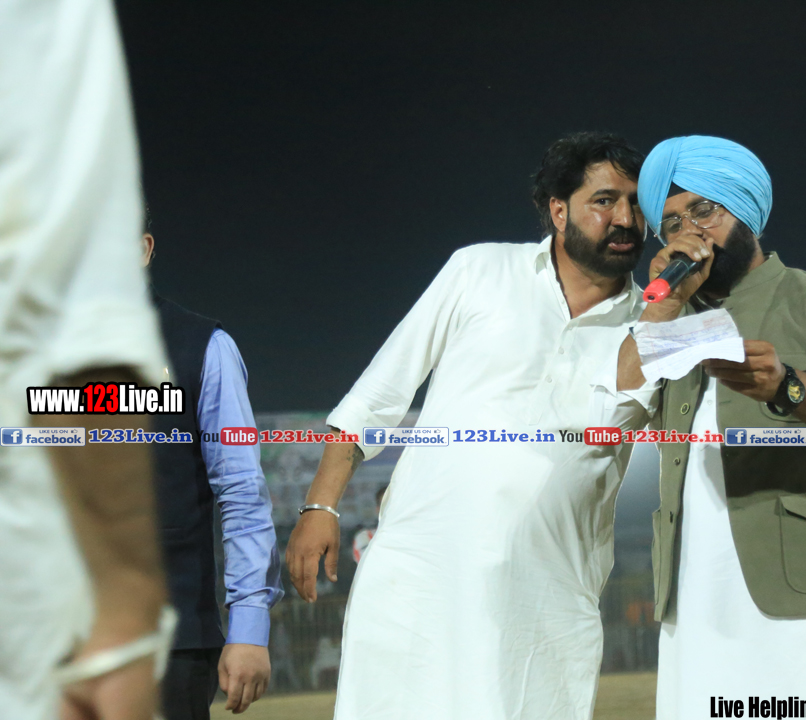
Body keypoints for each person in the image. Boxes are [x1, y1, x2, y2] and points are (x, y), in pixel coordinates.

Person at [286, 131, 653, 719]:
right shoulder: (481, 269)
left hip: (547, 601)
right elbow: (376, 397)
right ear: (559, 210)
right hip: (419, 578)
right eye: (605, 200)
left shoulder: (655, 326)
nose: (626, 219)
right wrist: (319, 506)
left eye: (636, 203)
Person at [612, 136, 806, 710]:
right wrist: (663, 306)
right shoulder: (668, 322)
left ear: (744, 212)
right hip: (695, 607)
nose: (689, 232)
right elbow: (614, 406)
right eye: (671, 223)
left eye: (704, 210)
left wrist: (789, 388)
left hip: (805, 601)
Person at [0, 1, 172, 719]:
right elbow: (81, 319)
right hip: (47, 591)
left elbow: (231, 483)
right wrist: (127, 608)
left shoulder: (207, 346)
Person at [141, 229, 284, 717]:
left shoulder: (203, 347)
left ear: (143, 249)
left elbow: (242, 492)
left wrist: (249, 626)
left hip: (168, 640)